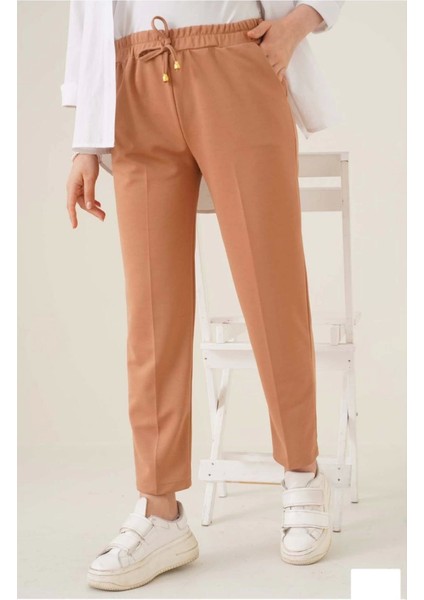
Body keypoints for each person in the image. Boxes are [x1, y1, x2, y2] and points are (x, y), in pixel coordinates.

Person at [62, 0, 344, 591]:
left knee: (272, 287)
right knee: (151, 313)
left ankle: (302, 474)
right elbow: (86, 16)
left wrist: (299, 23)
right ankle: (160, 510)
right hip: (133, 79)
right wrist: (85, 139)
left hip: (233, 62)